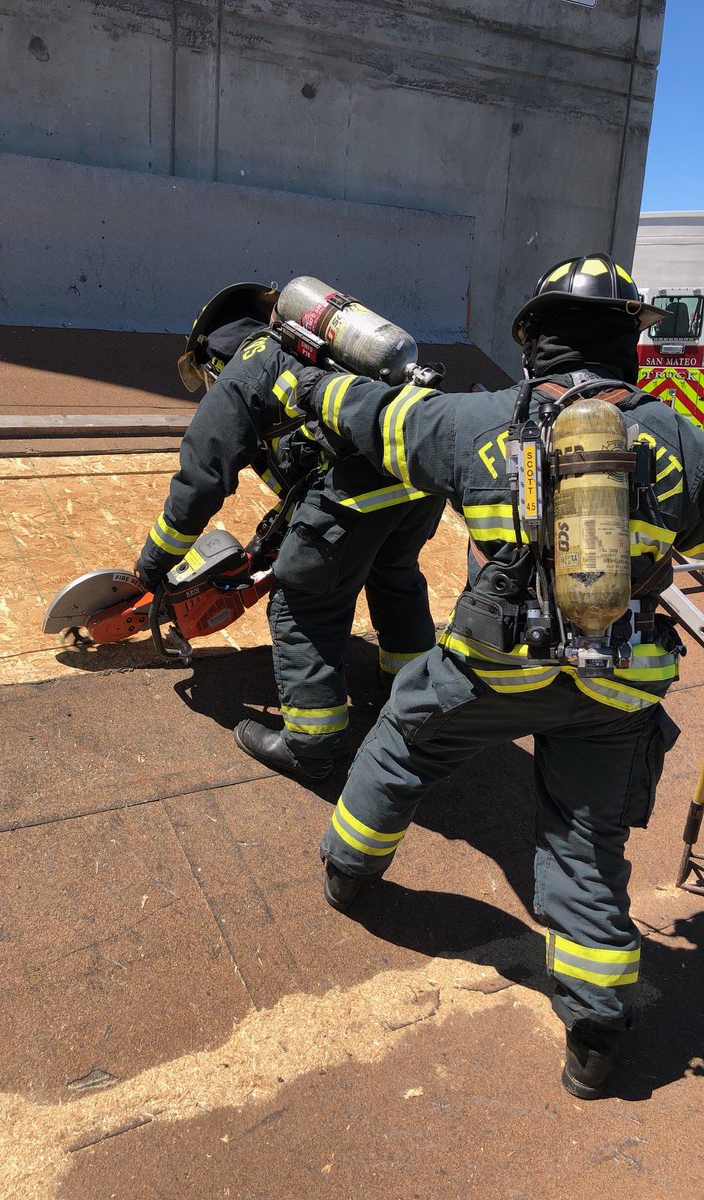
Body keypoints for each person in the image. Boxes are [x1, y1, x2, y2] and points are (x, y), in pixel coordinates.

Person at [288, 253, 704, 1099]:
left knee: (403, 736)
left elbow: (367, 415)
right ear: (630, 343)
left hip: (495, 669)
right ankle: (594, 1032)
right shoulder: (680, 438)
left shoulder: (472, 422)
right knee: (586, 839)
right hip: (618, 681)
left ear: (534, 343)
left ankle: (349, 870)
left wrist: (305, 386)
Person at [135, 283, 445, 780]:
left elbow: (199, 481)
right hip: (419, 482)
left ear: (210, 357)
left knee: (303, 602)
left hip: (358, 496)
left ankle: (314, 746)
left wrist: (152, 565)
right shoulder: (313, 351)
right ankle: (411, 697)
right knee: (394, 575)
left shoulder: (242, 373)